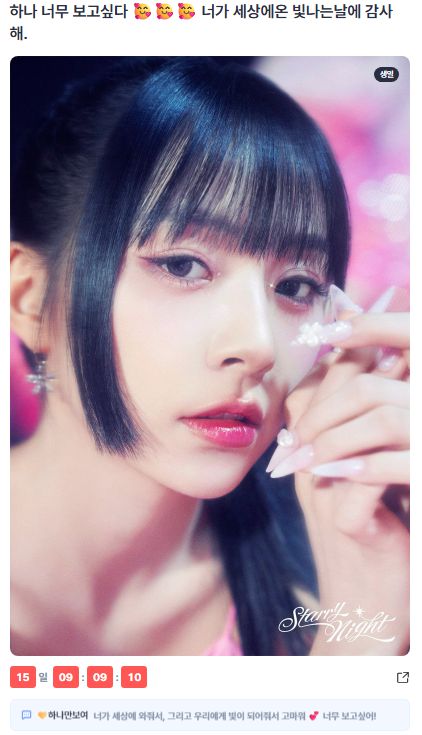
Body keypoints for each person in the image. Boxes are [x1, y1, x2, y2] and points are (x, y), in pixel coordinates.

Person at [10, 57, 409, 656]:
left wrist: (366, 607)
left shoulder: (321, 597)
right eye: (182, 265)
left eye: (296, 286)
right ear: (30, 298)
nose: (259, 344)